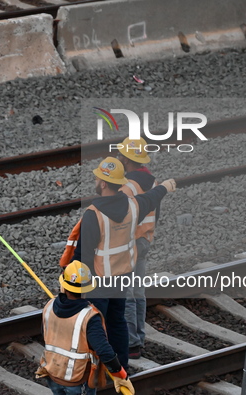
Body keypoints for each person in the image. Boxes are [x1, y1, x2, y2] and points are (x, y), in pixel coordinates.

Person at [59, 157, 176, 368]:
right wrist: (166, 187)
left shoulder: (93, 215)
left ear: (103, 183)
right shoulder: (133, 205)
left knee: (95, 326)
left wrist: (70, 282)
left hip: (100, 280)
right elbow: (151, 197)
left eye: (97, 177)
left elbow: (83, 256)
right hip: (123, 275)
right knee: (117, 322)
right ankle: (120, 367)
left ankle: (96, 370)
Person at [36, 260, 135, 394]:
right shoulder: (89, 316)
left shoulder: (49, 306)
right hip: (77, 379)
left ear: (63, 286)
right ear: (88, 289)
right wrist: (120, 375)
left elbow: (46, 334)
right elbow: (103, 350)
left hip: (53, 373)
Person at [117, 137, 159, 360]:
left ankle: (131, 344)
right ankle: (138, 338)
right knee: (138, 292)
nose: (119, 158)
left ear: (127, 158)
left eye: (121, 155)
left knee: (126, 296)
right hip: (144, 241)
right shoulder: (151, 181)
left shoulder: (127, 187)